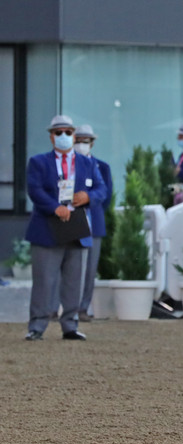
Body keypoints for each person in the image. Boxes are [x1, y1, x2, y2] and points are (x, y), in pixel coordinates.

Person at [25, 115, 106, 341]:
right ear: (51, 136)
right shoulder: (38, 162)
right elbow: (35, 189)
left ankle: (70, 325)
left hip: (77, 225)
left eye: (68, 132)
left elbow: (102, 189)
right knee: (44, 279)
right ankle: (37, 326)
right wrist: (53, 207)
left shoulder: (87, 163)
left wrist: (88, 196)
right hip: (47, 225)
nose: (63, 136)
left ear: (73, 135)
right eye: (58, 132)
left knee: (74, 279)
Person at [72, 124, 113, 321]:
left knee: (90, 269)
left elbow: (106, 196)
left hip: (93, 222)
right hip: (70, 221)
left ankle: (83, 308)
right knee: (67, 266)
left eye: (85, 141)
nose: (81, 145)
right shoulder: (68, 164)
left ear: (92, 143)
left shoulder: (102, 167)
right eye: (78, 141)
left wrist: (92, 211)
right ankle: (62, 307)